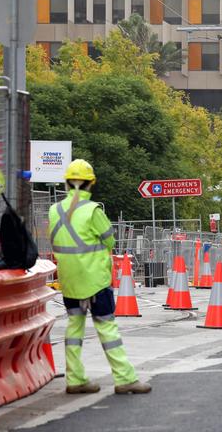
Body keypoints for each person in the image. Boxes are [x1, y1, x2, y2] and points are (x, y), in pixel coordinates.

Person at [48, 159, 151, 395]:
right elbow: (110, 240)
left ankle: (75, 379)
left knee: (74, 327)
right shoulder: (92, 210)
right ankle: (125, 377)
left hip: (70, 280)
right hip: (95, 279)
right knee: (107, 328)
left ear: (66, 183)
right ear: (90, 184)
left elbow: (55, 241)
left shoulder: (54, 211)